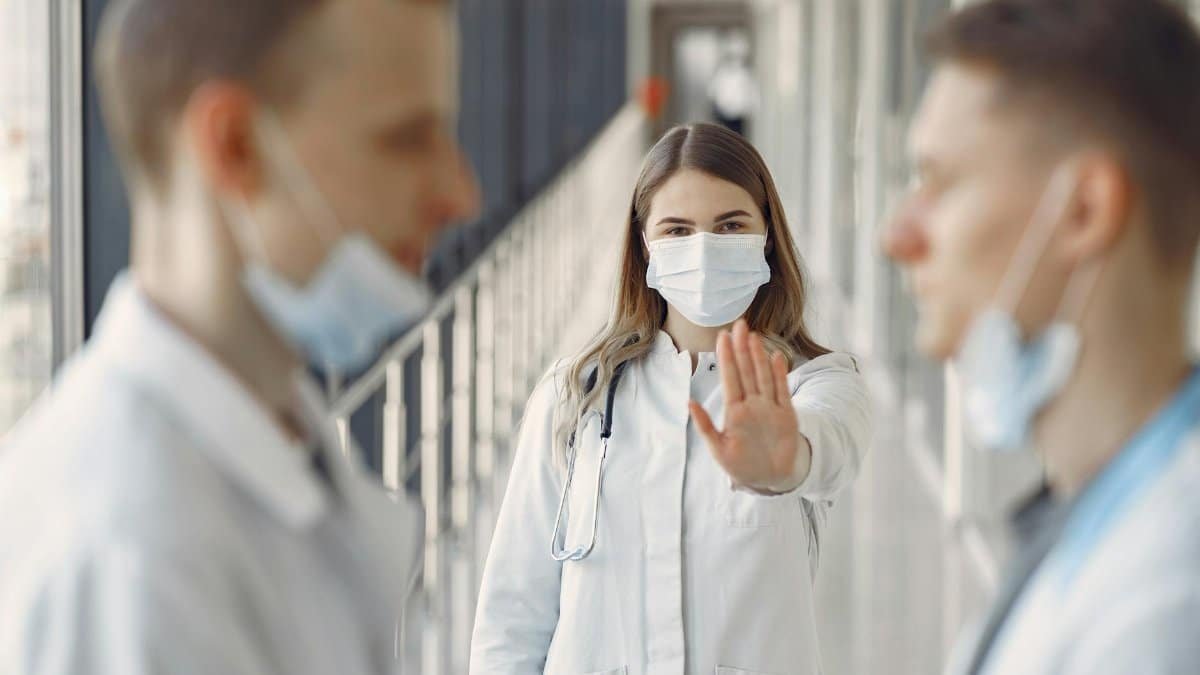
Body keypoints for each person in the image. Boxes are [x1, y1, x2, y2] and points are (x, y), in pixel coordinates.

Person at [0, 0, 478, 672]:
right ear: (235, 145)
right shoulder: (124, 559)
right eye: (406, 138)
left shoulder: (275, 438)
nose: (461, 193)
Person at [470, 122, 872, 675]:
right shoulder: (575, 396)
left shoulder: (814, 383)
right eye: (677, 231)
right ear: (644, 246)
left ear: (767, 237)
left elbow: (832, 444)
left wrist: (788, 461)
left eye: (729, 226)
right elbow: (513, 615)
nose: (703, 249)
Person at [883, 0, 1200, 672]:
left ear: (1083, 211)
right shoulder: (1099, 509)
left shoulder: (1164, 613)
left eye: (939, 183)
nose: (898, 236)